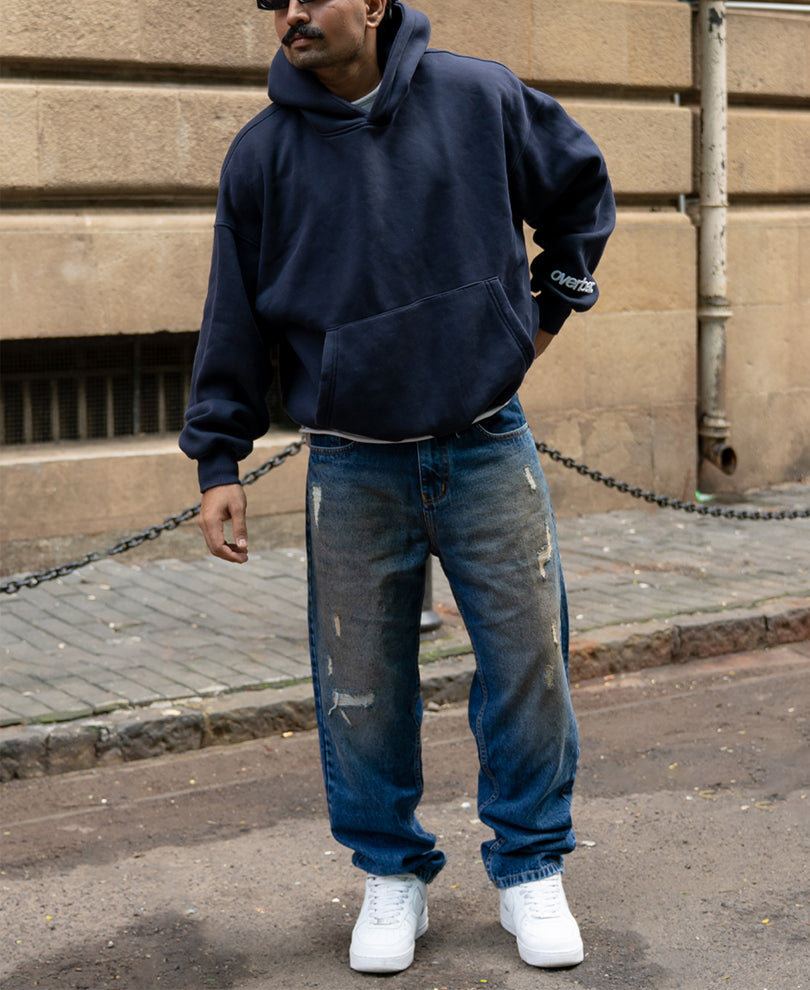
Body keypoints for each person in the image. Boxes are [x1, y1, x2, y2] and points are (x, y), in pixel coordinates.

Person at [180, 0, 614, 974]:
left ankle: (531, 866)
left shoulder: (480, 97)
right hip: (347, 457)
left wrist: (544, 316)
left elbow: (582, 195)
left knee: (528, 661)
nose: (291, 12)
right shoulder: (261, 156)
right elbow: (232, 314)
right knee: (362, 689)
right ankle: (392, 873)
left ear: (374, 4)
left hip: (486, 440)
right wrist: (220, 457)